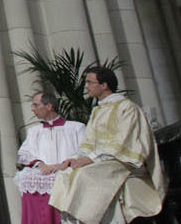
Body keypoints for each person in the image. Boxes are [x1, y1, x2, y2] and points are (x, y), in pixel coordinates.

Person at [48, 67, 166, 223]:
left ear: (104, 85)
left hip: (122, 160)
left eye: (90, 82)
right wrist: (75, 158)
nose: (86, 86)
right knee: (65, 174)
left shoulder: (127, 107)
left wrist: (91, 158)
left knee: (85, 175)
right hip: (101, 160)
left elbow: (123, 142)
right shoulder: (98, 111)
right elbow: (88, 141)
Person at [16, 91, 86, 224]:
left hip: (67, 171)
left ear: (49, 106)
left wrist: (62, 165)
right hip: (43, 172)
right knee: (26, 178)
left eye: (36, 105)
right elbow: (24, 153)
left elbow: (85, 150)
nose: (32, 109)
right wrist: (41, 165)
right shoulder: (34, 131)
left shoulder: (76, 128)